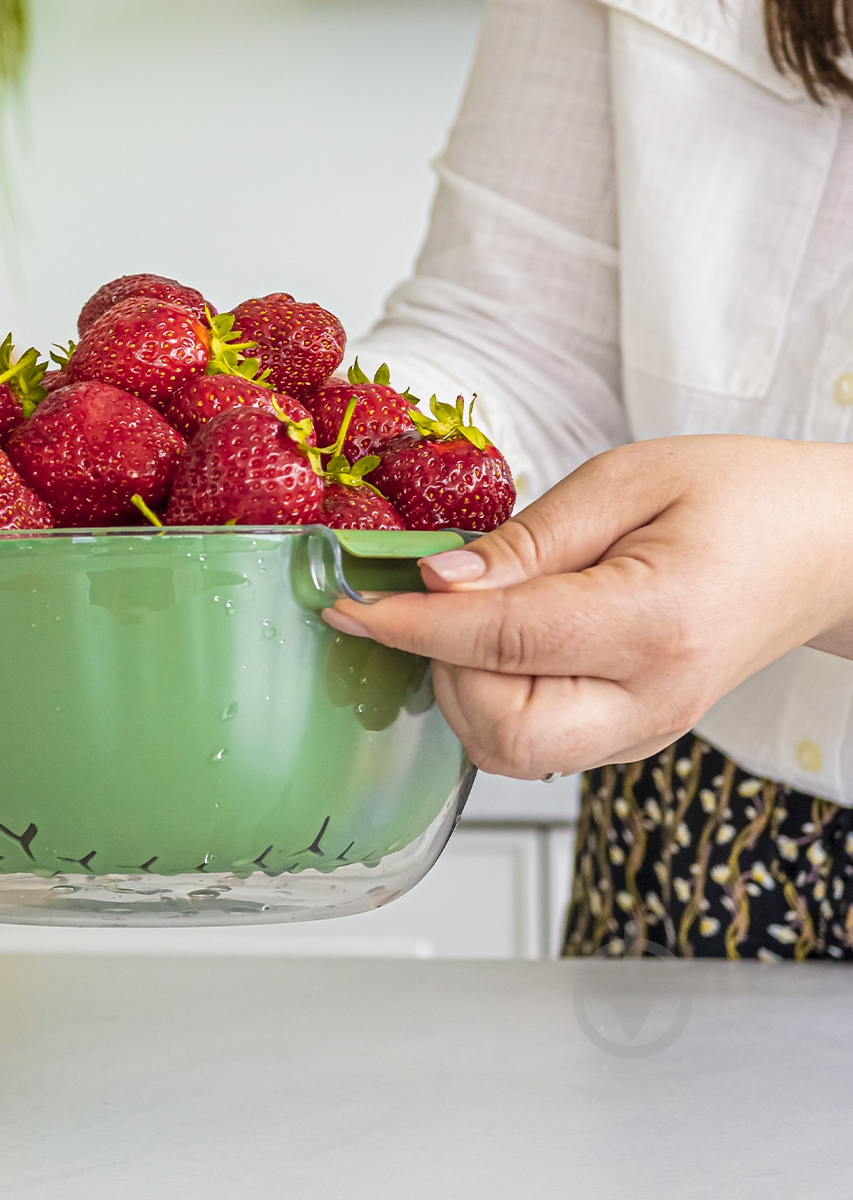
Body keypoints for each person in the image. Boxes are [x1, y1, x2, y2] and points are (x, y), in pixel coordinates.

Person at [321, 0, 853, 961]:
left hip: (687, 717)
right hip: (702, 814)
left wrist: (830, 546)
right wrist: (291, 447)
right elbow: (517, 333)